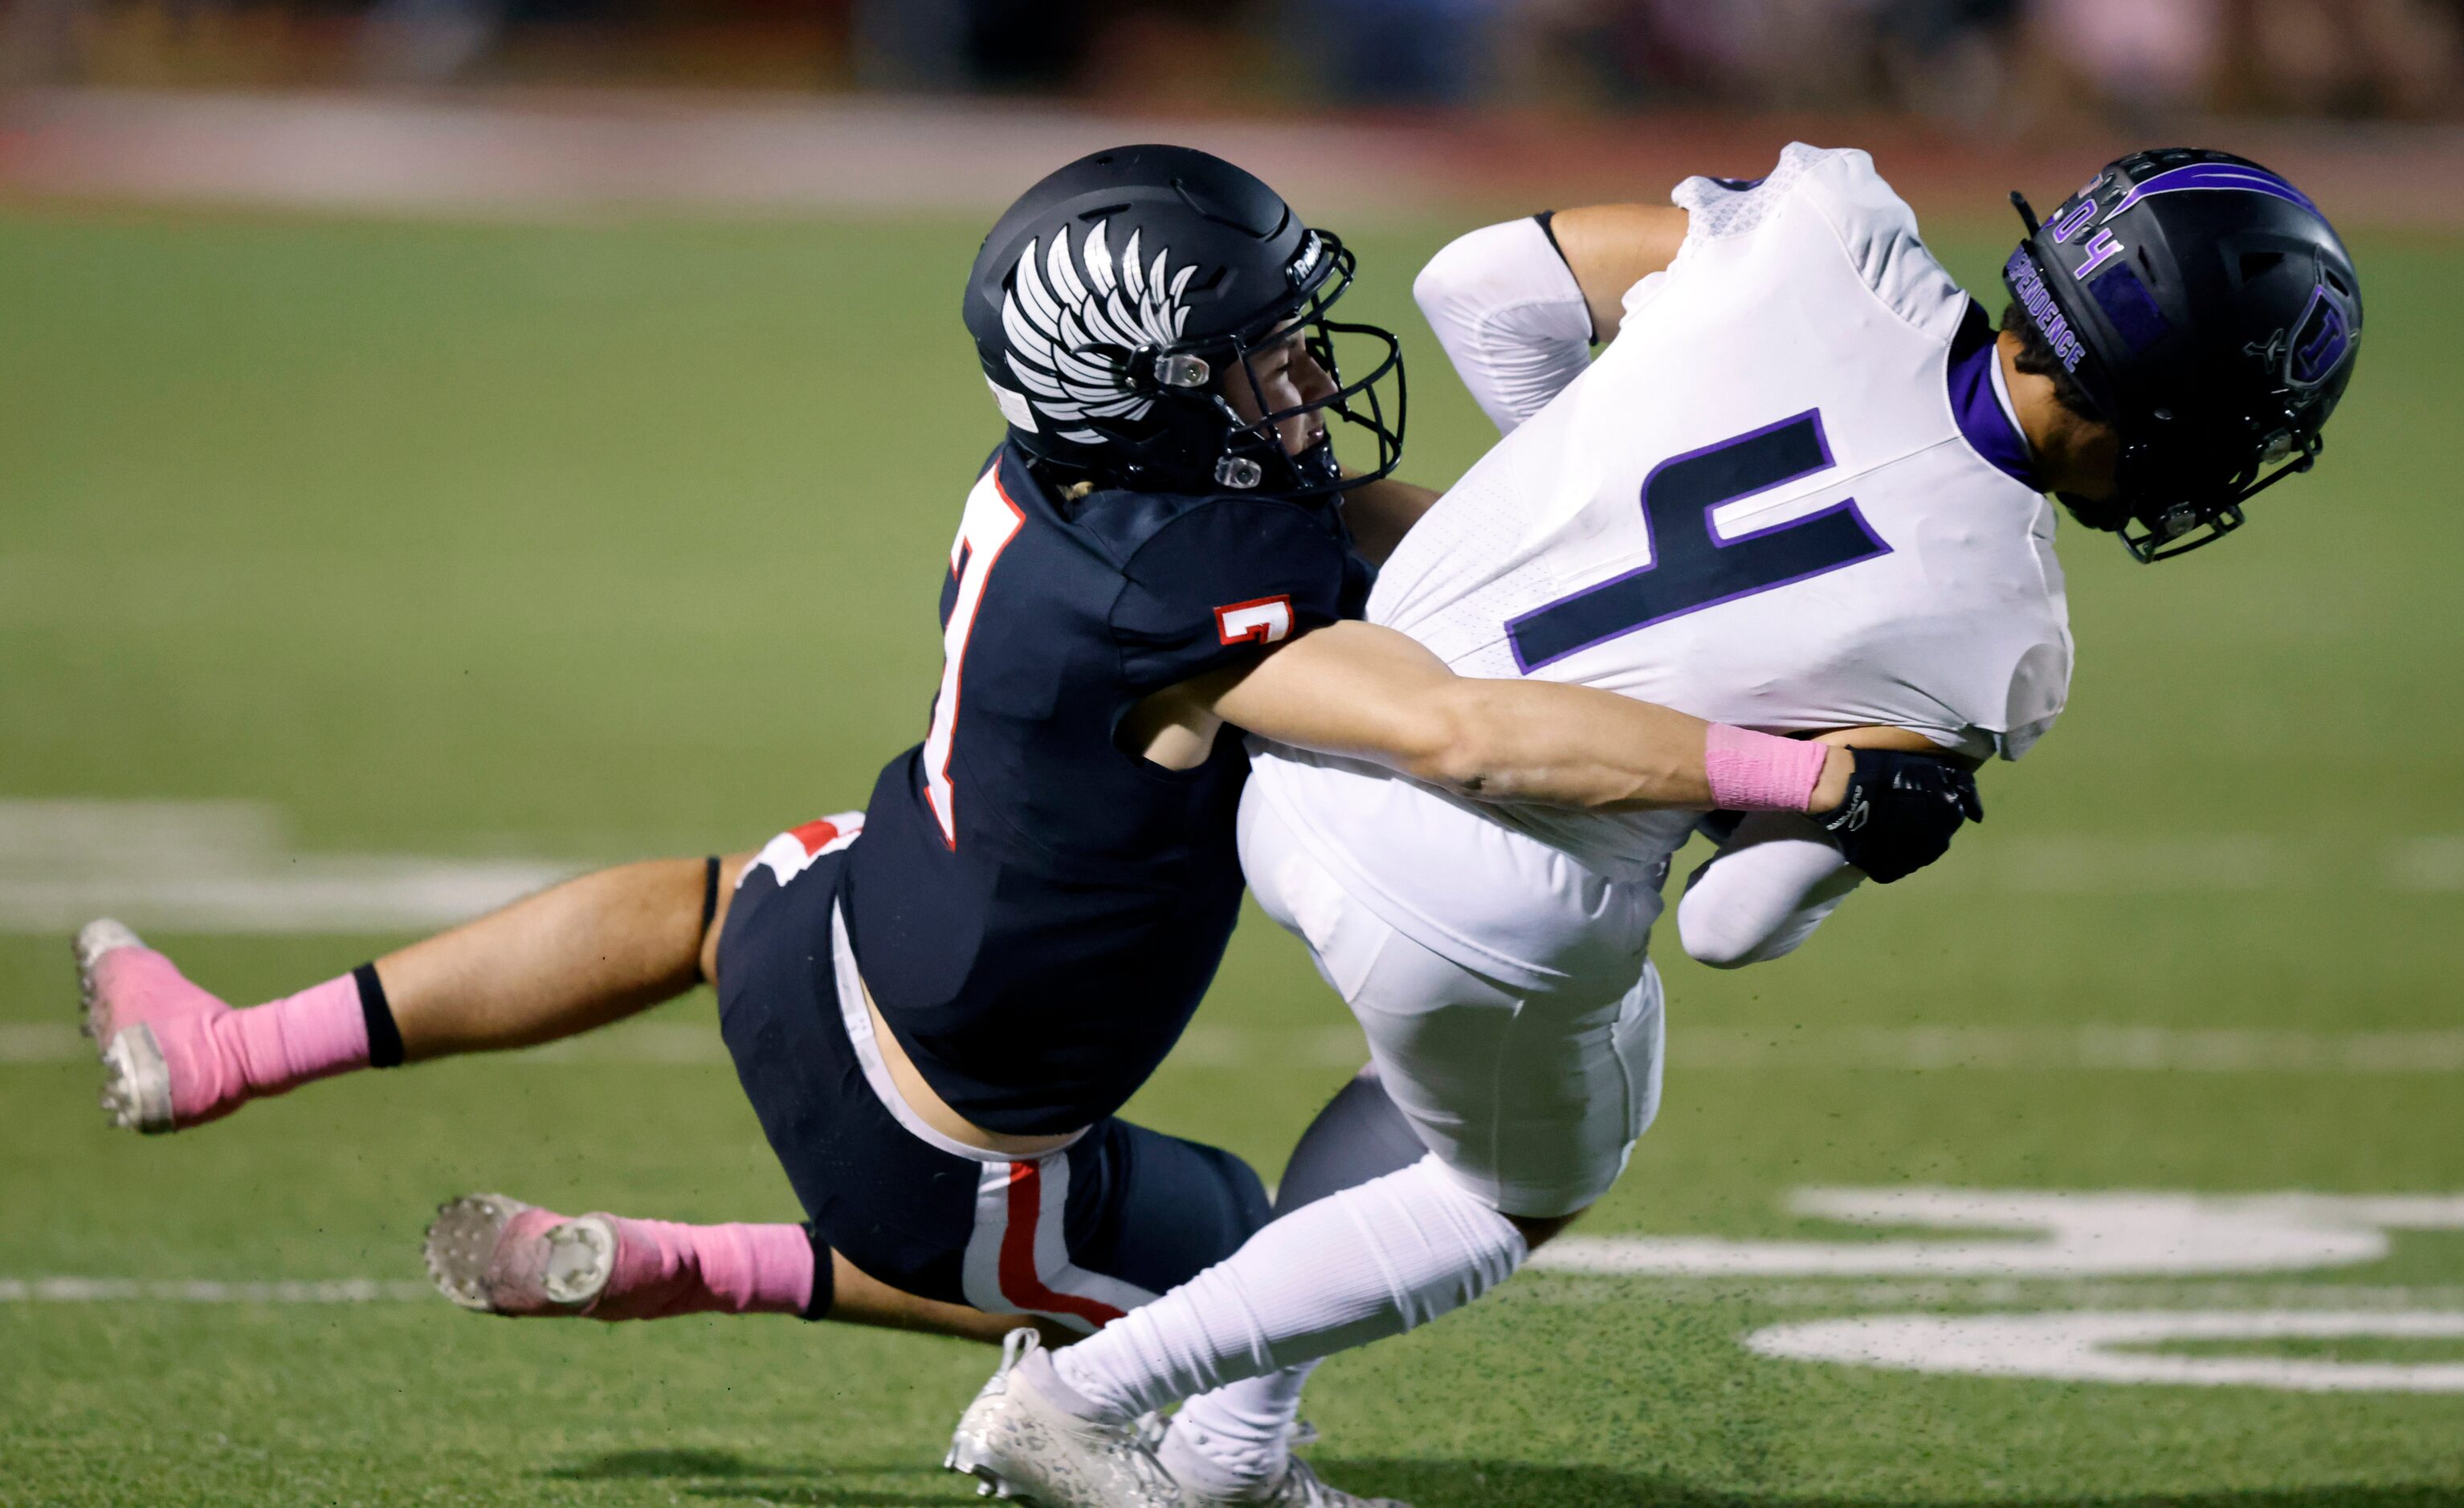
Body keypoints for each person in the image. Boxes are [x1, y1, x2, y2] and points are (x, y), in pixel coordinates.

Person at [74, 145, 1979, 1508]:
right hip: (956, 1132)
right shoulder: (1195, 610)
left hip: (828, 920)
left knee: (686, 899)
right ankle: (709, 1266)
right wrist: (1793, 771)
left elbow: (1398, 544)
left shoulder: (1073, 480)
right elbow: (1463, 728)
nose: (1303, 376)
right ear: (1152, 390)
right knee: (1250, 1246)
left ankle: (230, 1045)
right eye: (1259, 356)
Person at [940, 145, 2364, 1506]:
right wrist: (1851, 815)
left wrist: (1584, 475)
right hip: (1485, 896)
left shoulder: (1834, 241)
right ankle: (1087, 1398)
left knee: (1438, 1094)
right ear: (2174, 405)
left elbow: (1479, 286)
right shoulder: (2007, 636)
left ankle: (1230, 1448)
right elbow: (1728, 923)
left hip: (1325, 740)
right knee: (1519, 1186)